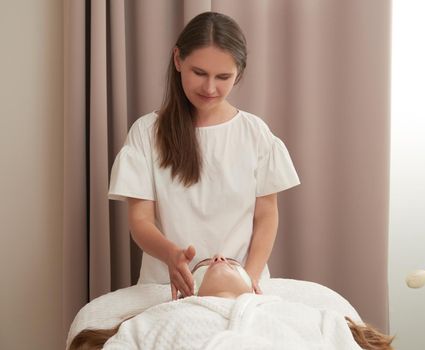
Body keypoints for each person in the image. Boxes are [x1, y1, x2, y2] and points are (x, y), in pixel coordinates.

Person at [108, 11, 300, 299]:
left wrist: (249, 278)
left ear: (239, 73)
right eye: (199, 73)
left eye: (223, 77)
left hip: (242, 288)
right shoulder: (147, 133)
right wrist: (171, 254)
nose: (210, 88)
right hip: (166, 289)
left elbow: (266, 215)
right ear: (177, 60)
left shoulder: (255, 133)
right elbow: (141, 220)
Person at [69, 255, 394, 350]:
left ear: (256, 290)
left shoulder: (308, 314)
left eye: (232, 262)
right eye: (207, 264)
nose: (220, 257)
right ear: (189, 291)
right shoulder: (159, 317)